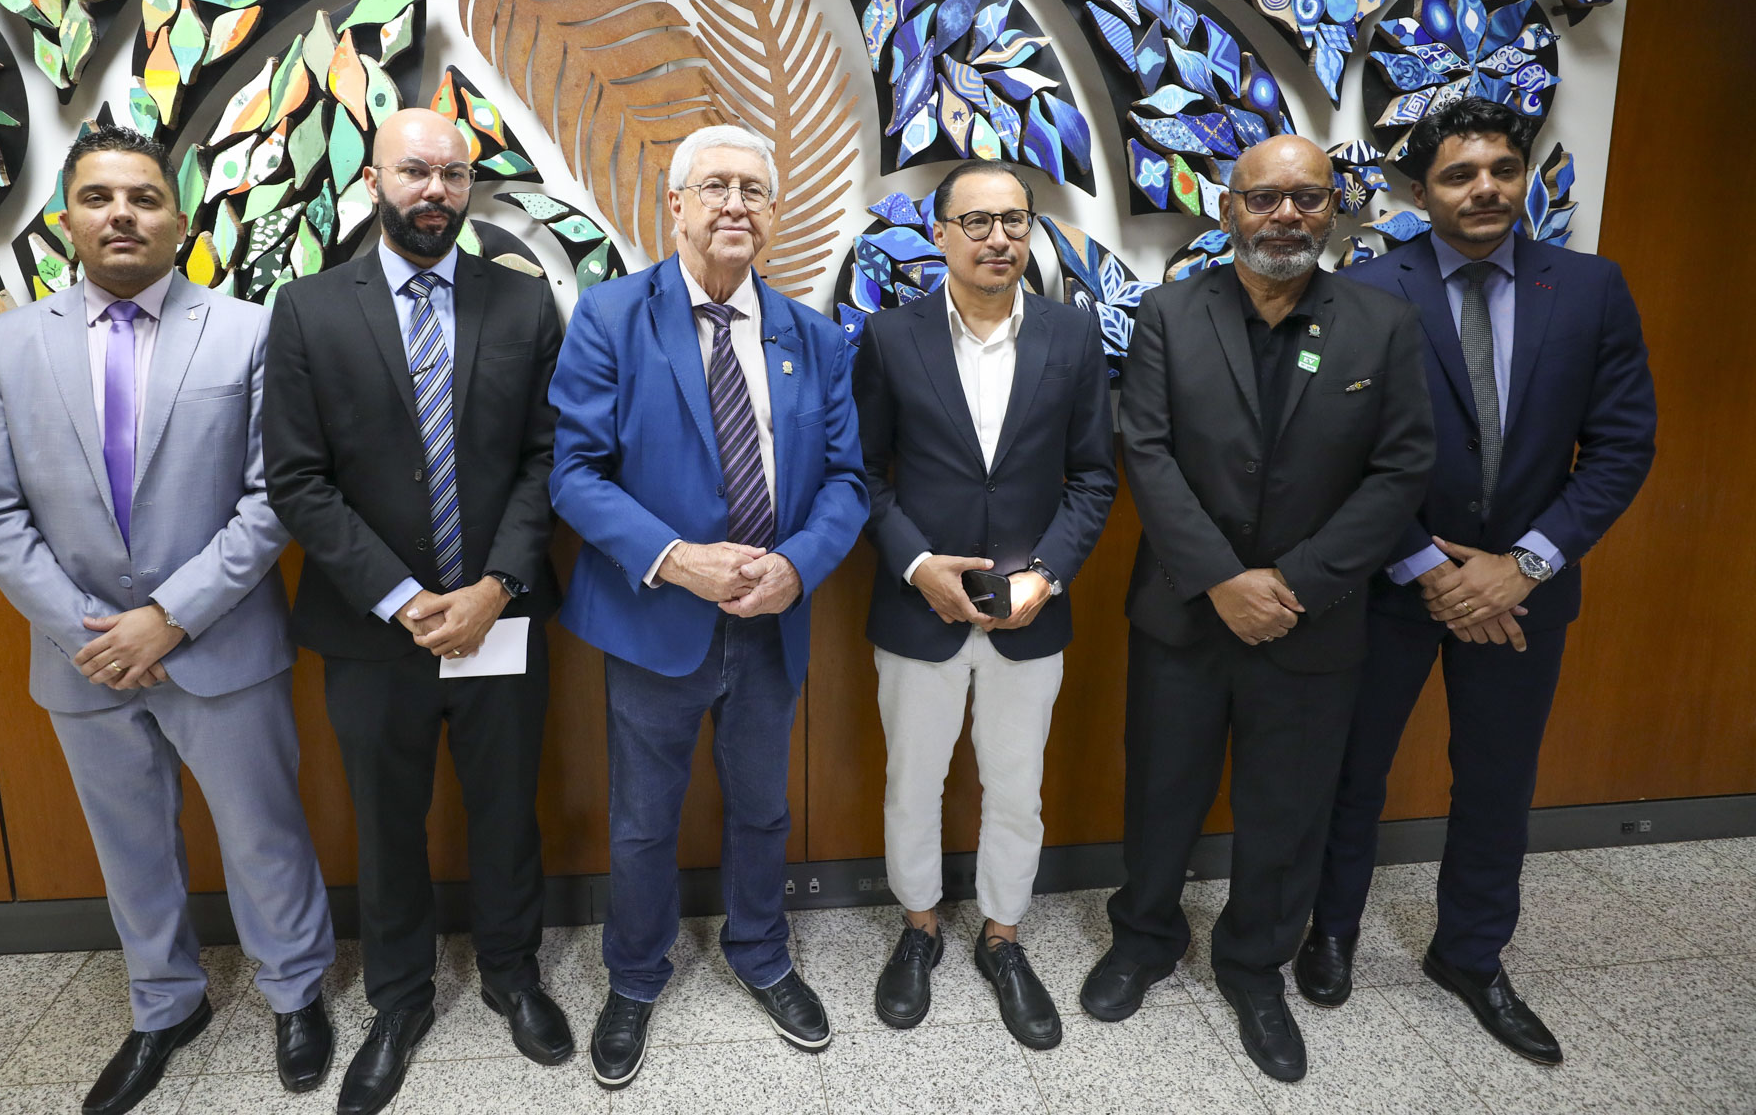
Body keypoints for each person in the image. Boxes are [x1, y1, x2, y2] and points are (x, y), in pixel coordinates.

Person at [0, 127, 334, 1115]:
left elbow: (274, 496)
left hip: (222, 642)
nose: (120, 213)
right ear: (66, 220)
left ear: (180, 218)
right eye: (98, 197)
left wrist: (169, 616)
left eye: (143, 197)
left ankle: (296, 992)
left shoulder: (250, 331)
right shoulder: (7, 345)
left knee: (264, 833)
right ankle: (166, 1004)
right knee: (128, 845)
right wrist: (92, 629)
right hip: (82, 658)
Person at [1296, 98, 1656, 1064]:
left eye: (1502, 168)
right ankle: (1330, 932)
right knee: (1352, 774)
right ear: (1421, 194)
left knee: (1498, 782)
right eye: (1459, 174)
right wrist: (1429, 566)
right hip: (1388, 583)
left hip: (1525, 595)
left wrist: (1523, 565)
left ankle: (1471, 954)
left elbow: (1622, 447)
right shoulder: (1364, 291)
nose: (1486, 188)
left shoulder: (1590, 289)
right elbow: (1337, 452)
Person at [1081, 135, 1434, 1082]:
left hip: (1311, 619)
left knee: (1288, 807)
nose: (1287, 216)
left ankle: (1253, 965)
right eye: (1265, 198)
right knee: (1162, 792)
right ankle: (1145, 937)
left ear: (1333, 210)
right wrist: (1222, 580)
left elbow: (1401, 469)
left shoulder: (1383, 325)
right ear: (1228, 208)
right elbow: (1145, 451)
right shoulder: (1167, 314)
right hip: (1185, 611)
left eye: (1308, 198)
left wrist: (1297, 584)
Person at [262, 108, 569, 1115]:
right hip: (370, 629)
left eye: (453, 173)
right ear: (375, 181)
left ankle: (513, 974)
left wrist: (494, 586)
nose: (435, 190)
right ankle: (397, 1001)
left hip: (500, 616)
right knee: (387, 822)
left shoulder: (521, 301)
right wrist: (401, 597)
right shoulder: (307, 309)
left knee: (506, 809)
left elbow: (548, 458)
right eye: (414, 171)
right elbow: (298, 479)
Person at [548, 124, 867, 1088]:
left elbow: (847, 480)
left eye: (754, 190)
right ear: (676, 204)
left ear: (774, 213)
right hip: (655, 619)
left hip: (771, 622)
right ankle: (635, 976)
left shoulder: (814, 337)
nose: (736, 204)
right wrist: (675, 559)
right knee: (644, 819)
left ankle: (761, 952)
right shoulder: (611, 316)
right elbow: (574, 473)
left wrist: (798, 567)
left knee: (764, 810)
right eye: (716, 186)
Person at [851, 160, 1116, 1048]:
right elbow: (861, 474)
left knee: (1016, 786)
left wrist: (1048, 575)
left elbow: (1094, 477)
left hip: (1029, 613)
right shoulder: (890, 337)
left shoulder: (1073, 336)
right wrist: (916, 564)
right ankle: (919, 928)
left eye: (1013, 221)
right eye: (976, 221)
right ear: (940, 234)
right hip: (918, 611)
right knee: (912, 783)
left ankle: (1003, 937)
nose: (998, 238)